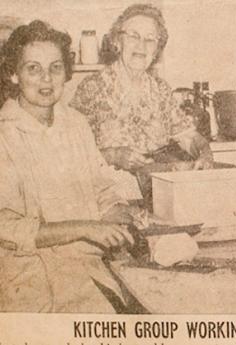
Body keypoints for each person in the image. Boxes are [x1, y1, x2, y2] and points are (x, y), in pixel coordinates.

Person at [0, 20, 136, 312]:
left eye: (56, 67)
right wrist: (85, 228)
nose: (46, 79)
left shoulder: (75, 123)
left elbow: (100, 185)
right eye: (33, 68)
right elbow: (6, 227)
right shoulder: (4, 135)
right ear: (13, 74)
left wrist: (119, 213)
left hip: (87, 268)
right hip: (30, 282)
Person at [70, 3, 213, 198]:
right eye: (133, 36)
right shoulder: (93, 87)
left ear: (156, 50)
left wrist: (205, 154)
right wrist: (113, 155)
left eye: (150, 39)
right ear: (117, 42)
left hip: (157, 190)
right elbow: (70, 154)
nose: (141, 46)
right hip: (110, 195)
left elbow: (190, 138)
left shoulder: (160, 89)